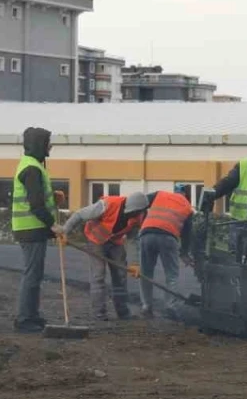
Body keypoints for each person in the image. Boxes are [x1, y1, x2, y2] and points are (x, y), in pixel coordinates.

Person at [62, 190, 150, 321]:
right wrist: (64, 232)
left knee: (120, 276)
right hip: (95, 240)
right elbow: (80, 215)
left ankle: (123, 312)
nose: (135, 215)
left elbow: (132, 240)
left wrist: (135, 263)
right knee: (98, 276)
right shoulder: (107, 205)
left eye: (138, 213)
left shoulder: (139, 216)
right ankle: (99, 313)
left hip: (115, 242)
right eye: (134, 213)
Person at [11, 127, 65, 333]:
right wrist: (53, 224)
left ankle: (32, 315)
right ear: (39, 145)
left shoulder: (32, 166)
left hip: (33, 229)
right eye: (47, 142)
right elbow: (35, 204)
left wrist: (52, 195)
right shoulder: (32, 168)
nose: (50, 146)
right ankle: (25, 319)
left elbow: (38, 196)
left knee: (35, 274)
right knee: (32, 275)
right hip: (30, 228)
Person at [138, 185, 196, 320]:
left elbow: (140, 202)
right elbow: (187, 234)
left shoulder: (160, 194)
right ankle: (170, 306)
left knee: (145, 273)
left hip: (146, 234)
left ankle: (146, 306)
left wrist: (140, 221)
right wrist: (184, 254)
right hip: (168, 238)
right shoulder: (187, 207)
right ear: (186, 196)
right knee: (171, 275)